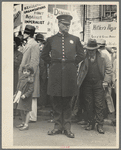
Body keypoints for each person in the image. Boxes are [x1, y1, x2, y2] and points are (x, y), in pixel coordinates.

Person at [41, 14, 85, 138]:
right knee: (56, 101)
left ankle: (67, 128)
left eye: (68, 25)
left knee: (67, 101)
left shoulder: (75, 39)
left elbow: (81, 55)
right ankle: (57, 127)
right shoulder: (51, 39)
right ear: (59, 24)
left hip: (69, 74)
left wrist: (72, 63)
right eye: (64, 25)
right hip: (55, 73)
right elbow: (44, 56)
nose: (67, 27)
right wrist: (54, 63)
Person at [77, 39, 112, 134]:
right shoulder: (84, 56)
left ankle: (100, 125)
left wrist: (106, 81)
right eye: (89, 49)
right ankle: (90, 123)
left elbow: (109, 69)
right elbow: (79, 69)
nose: (91, 51)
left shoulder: (103, 56)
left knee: (99, 104)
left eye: (92, 50)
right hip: (87, 84)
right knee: (88, 104)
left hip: (99, 83)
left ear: (96, 49)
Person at [18, 25, 40, 122]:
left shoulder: (34, 44)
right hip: (26, 73)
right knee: (27, 94)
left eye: (25, 33)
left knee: (31, 94)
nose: (24, 34)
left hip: (29, 73)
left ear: (28, 34)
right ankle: (28, 116)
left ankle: (32, 117)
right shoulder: (30, 44)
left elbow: (34, 61)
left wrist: (30, 75)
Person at [14, 64, 34, 131]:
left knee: (27, 110)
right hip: (20, 96)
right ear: (22, 71)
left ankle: (26, 124)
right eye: (24, 71)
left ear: (30, 72)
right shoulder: (21, 78)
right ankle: (23, 122)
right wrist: (16, 93)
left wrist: (25, 95)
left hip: (26, 98)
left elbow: (31, 90)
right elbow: (18, 87)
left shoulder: (30, 80)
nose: (26, 72)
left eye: (28, 71)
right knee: (21, 109)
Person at [35, 33, 48, 108]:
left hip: (42, 68)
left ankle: (42, 103)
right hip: (40, 68)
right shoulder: (40, 47)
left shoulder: (42, 48)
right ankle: (41, 103)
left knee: (42, 85)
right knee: (41, 85)